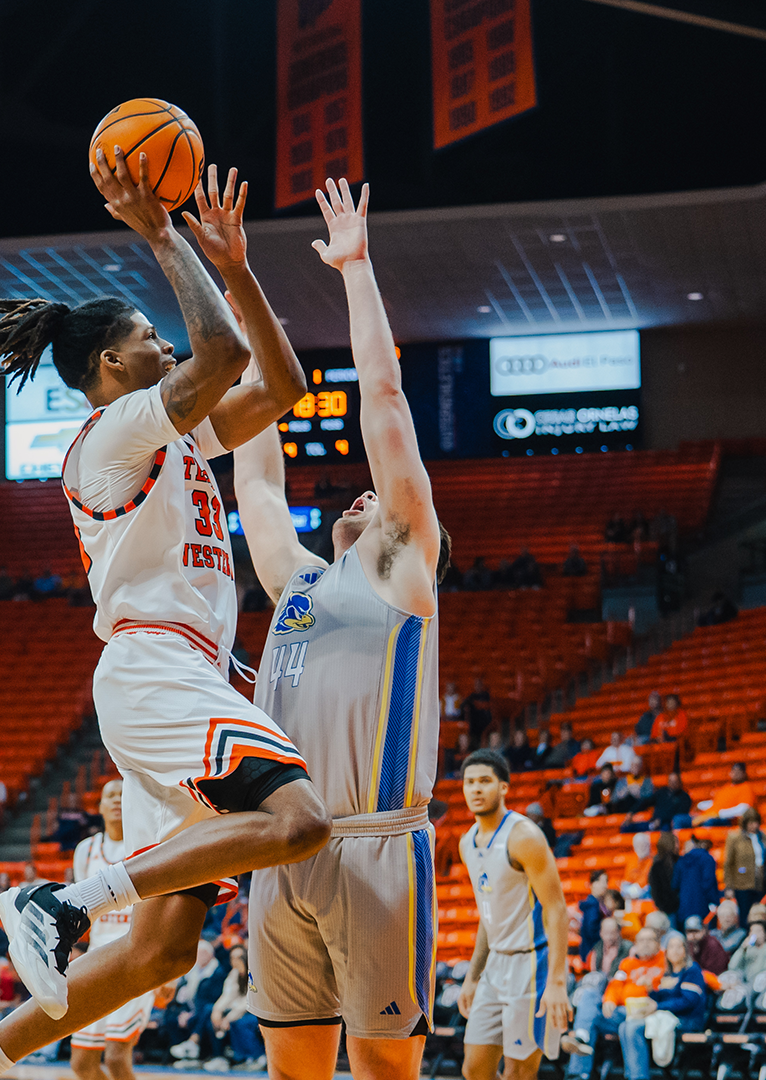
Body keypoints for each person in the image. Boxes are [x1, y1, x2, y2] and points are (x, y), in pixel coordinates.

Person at [0, 162, 331, 1080]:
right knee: (301, 823)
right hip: (157, 672)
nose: (168, 348)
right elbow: (219, 357)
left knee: (162, 953)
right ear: (112, 366)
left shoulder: (172, 434)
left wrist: (239, 269)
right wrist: (162, 237)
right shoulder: (113, 436)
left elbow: (281, 386)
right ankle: (63, 901)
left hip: (182, 678)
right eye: (150, 338)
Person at [233, 180, 452, 1080]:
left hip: (374, 844)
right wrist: (237, 286)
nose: (362, 494)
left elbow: (386, 405)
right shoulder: (296, 582)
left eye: (377, 494)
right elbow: (256, 477)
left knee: (383, 1071)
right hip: (281, 846)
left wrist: (356, 270)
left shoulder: (401, 569)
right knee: (293, 1071)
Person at [457, 750, 573, 1080]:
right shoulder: (468, 843)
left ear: (504, 787)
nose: (476, 789)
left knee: (519, 1072)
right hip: (495, 965)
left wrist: (557, 982)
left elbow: (557, 909)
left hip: (532, 966)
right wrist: (473, 976)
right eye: (469, 783)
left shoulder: (524, 837)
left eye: (484, 782)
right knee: (474, 1069)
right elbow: (488, 916)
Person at [65, 779, 154, 1075]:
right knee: (82, 1063)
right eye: (110, 796)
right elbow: (82, 909)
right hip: (97, 960)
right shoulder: (85, 850)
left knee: (116, 1057)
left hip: (137, 958)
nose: (117, 800)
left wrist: (168, 977)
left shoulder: (147, 844)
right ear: (100, 807)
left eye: (122, 794)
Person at [616, 930, 707, 1080]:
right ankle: (632, 1075)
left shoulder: (692, 971)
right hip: (665, 1016)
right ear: (666, 951)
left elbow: (688, 1002)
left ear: (686, 950)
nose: (675, 951)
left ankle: (639, 1077)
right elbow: (662, 998)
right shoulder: (667, 973)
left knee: (632, 1028)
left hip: (687, 1020)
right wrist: (651, 990)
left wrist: (658, 1007)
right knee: (624, 1026)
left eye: (679, 947)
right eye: (671, 947)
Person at [722, 809, 766, 917]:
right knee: (745, 915)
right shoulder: (735, 838)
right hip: (742, 884)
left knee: (760, 914)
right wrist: (729, 886)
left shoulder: (763, 838)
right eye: (750, 822)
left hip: (760, 883)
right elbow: (728, 863)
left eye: (755, 822)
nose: (753, 826)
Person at [673, 830, 719, 926]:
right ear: (705, 843)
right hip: (703, 906)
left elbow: (675, 884)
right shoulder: (708, 859)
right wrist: (715, 902)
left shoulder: (682, 860)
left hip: (684, 907)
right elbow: (708, 883)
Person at [727, 905, 766, 982]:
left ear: (765, 933)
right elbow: (732, 967)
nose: (755, 934)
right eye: (752, 931)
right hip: (747, 985)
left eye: (758, 931)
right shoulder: (747, 950)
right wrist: (742, 949)